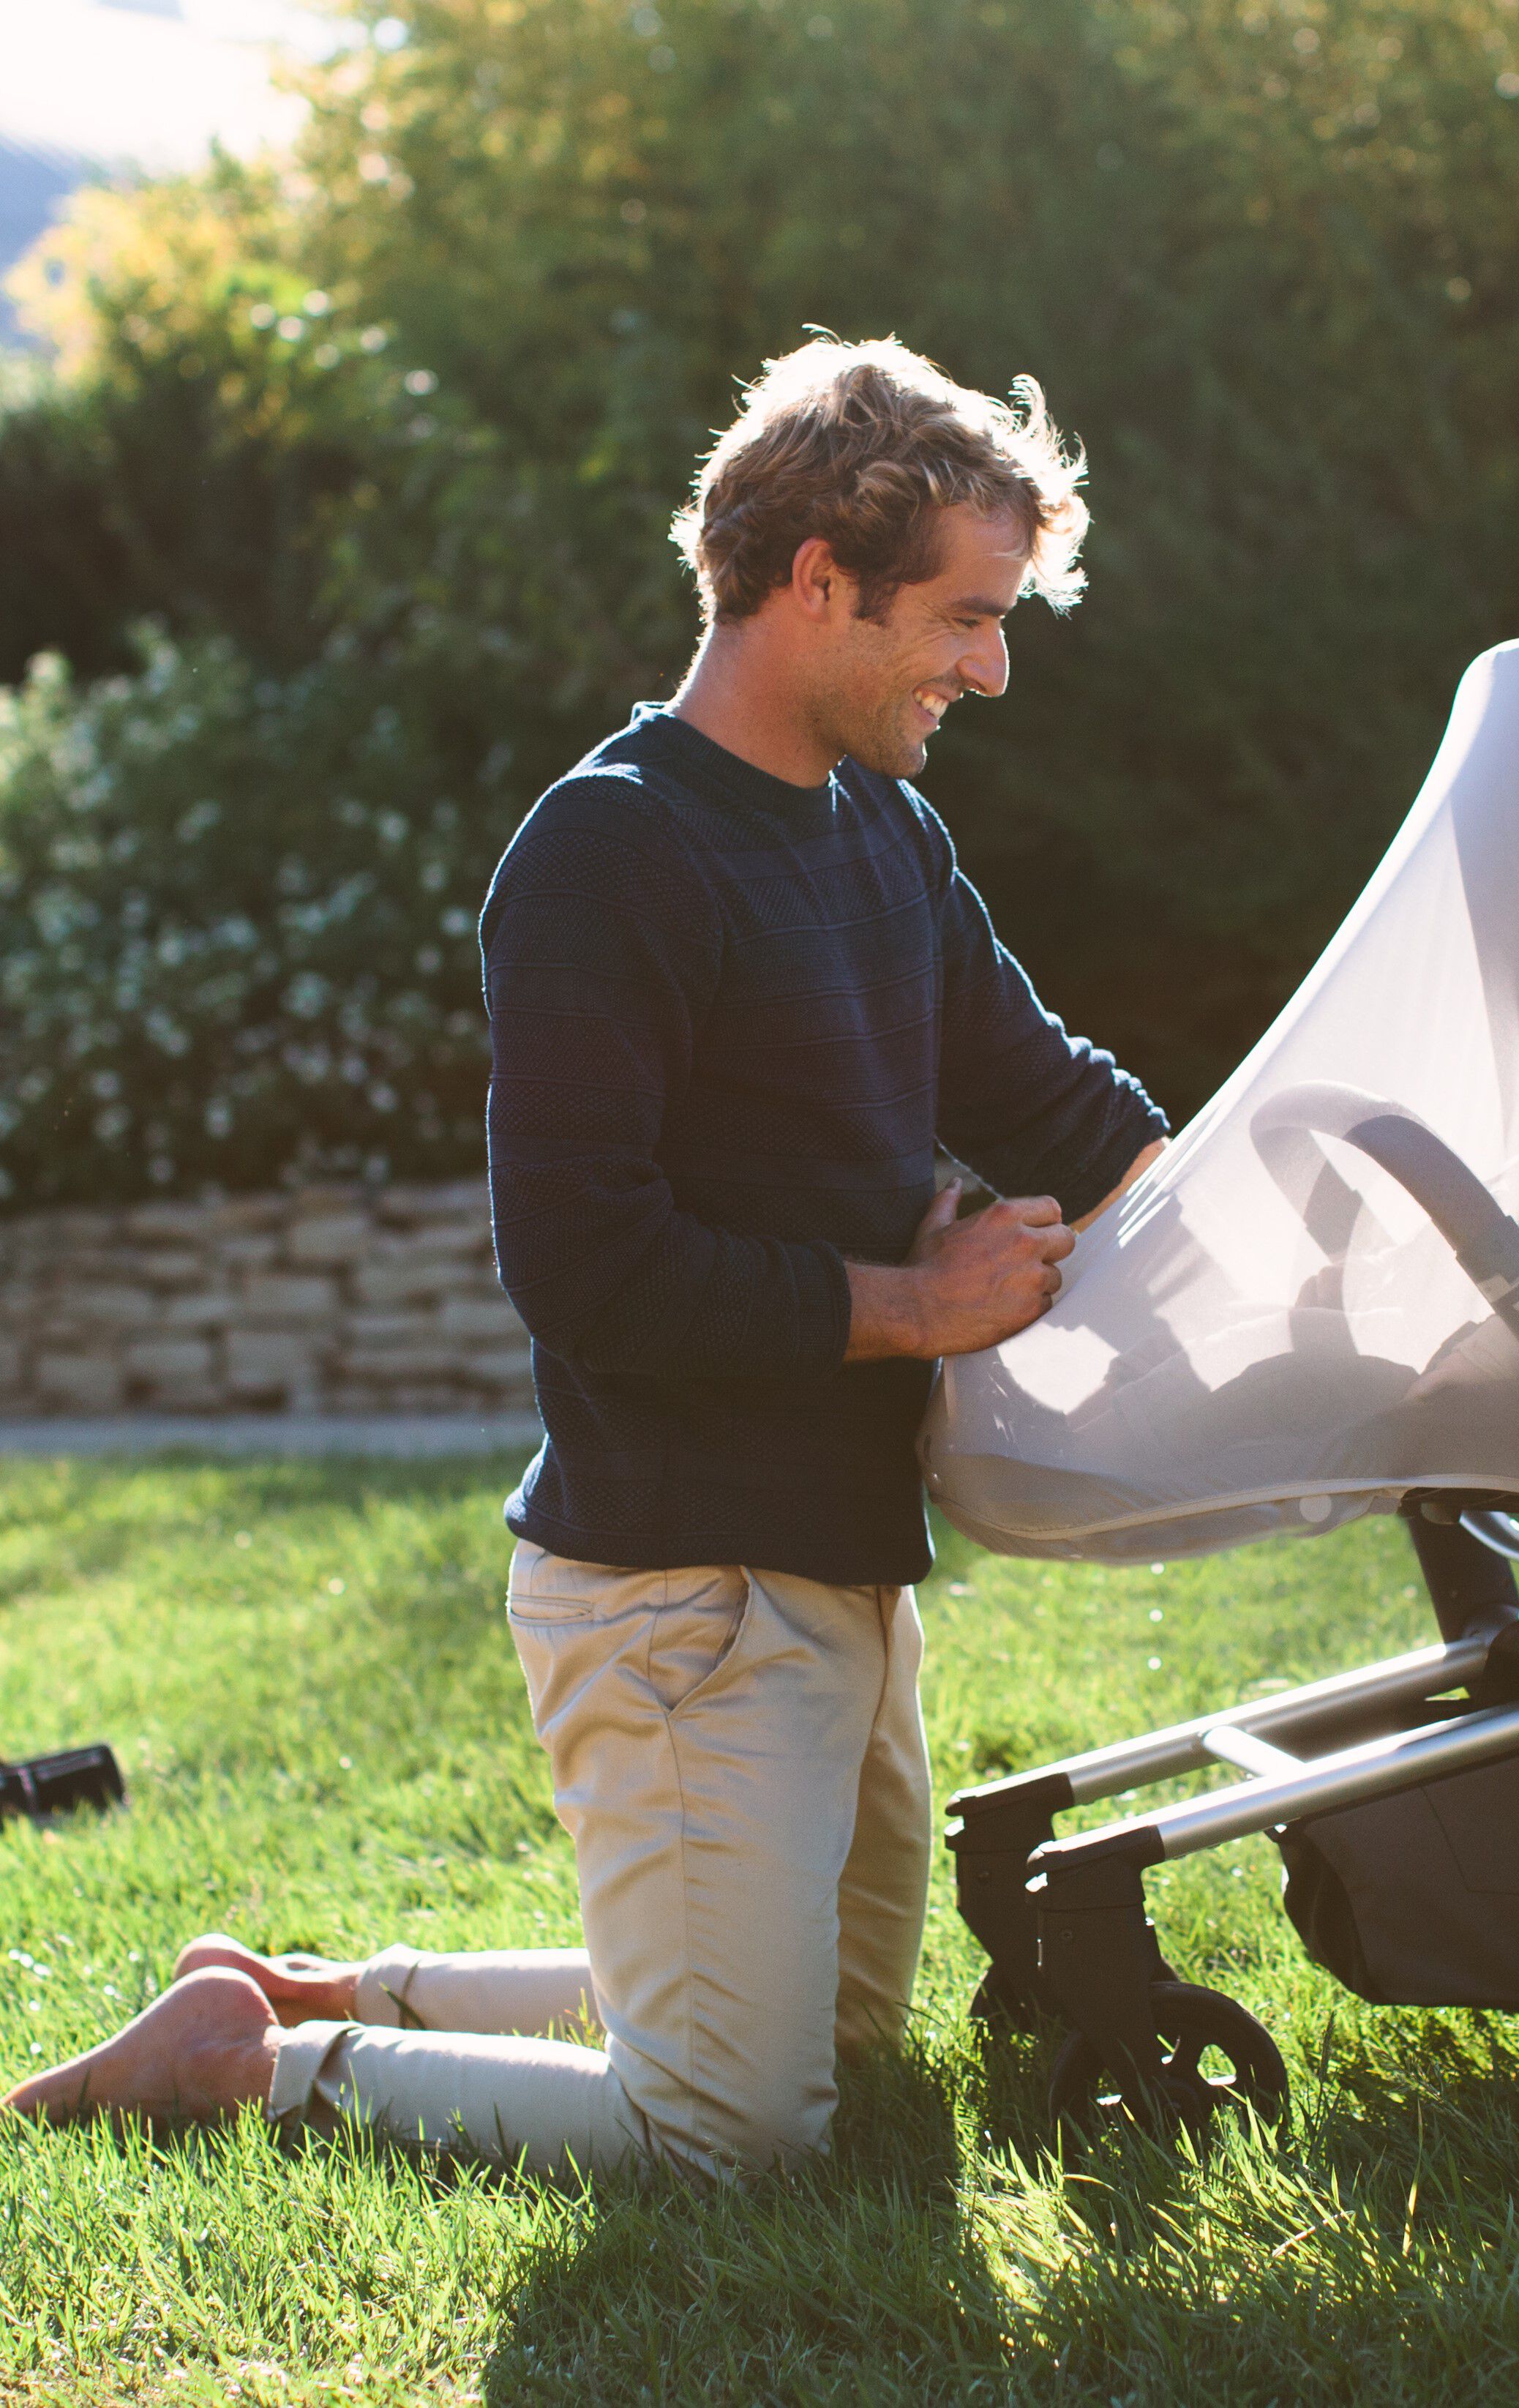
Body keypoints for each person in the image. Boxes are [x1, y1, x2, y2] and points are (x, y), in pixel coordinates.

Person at [7, 336, 1168, 2178]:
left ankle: (303, 1998)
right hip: (677, 1590)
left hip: (844, 1572)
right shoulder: (605, 854)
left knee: (845, 2042)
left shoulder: (884, 832)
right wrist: (914, 1306)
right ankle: (242, 2076)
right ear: (814, 583)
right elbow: (583, 1261)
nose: (989, 664)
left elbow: (1056, 1103)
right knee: (730, 2130)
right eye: (960, 616)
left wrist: (1294, 1229)